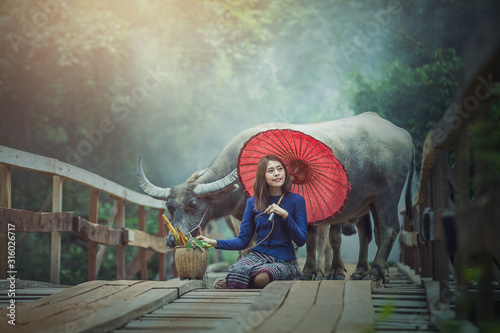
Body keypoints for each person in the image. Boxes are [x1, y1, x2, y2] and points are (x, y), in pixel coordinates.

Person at [197, 154, 308, 289]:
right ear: (262, 176)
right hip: (257, 256)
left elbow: (301, 240)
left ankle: (237, 281)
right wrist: (212, 242)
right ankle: (239, 279)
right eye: (270, 170)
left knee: (261, 278)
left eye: (280, 169)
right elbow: (243, 241)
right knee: (236, 270)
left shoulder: (297, 201)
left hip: (284, 260)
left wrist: (285, 216)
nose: (277, 174)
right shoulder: (252, 202)